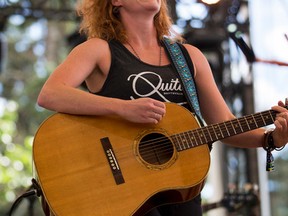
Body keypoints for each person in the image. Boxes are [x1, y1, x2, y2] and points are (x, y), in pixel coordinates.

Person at [37, 0, 288, 215]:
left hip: (180, 186)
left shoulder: (189, 57)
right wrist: (122, 108)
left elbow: (225, 125)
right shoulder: (98, 49)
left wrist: (271, 138)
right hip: (120, 189)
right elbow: (51, 94)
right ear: (115, 1)